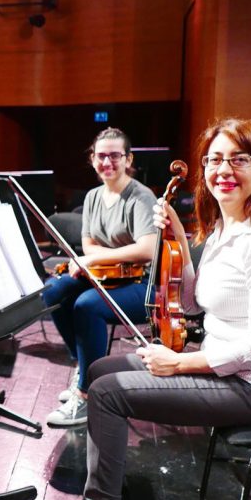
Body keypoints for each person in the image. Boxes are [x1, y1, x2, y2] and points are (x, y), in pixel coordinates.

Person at [41, 117, 251, 500]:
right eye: (215, 160)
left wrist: (180, 363)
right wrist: (181, 242)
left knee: (107, 394)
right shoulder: (227, 226)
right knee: (101, 370)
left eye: (239, 159)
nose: (223, 170)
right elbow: (193, 302)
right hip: (230, 367)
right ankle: (106, 496)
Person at [42, 127, 158, 427]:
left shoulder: (141, 197)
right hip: (108, 276)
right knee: (52, 292)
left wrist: (94, 259)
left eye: (115, 156)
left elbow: (146, 250)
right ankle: (85, 368)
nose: (107, 162)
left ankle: (87, 394)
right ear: (92, 159)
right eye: (101, 156)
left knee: (87, 305)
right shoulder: (93, 196)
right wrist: (100, 257)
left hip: (143, 284)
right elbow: (89, 243)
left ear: (128, 159)